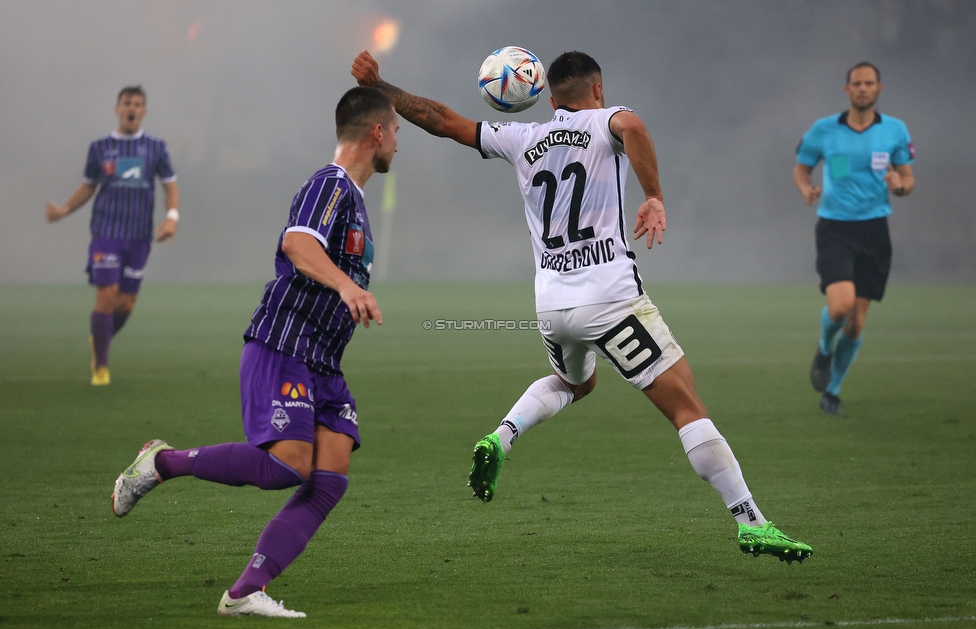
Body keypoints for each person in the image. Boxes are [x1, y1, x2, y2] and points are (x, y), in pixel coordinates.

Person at [352, 50, 812, 562]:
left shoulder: (521, 137)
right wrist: (654, 195)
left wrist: (382, 86)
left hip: (552, 303)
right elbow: (632, 124)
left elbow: (440, 121)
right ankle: (752, 522)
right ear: (598, 90)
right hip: (611, 298)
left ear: (550, 100)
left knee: (576, 382)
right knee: (687, 407)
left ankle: (502, 436)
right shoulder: (606, 121)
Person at [110, 86, 397, 618]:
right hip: (284, 345)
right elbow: (297, 244)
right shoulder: (328, 185)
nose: (399, 145)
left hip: (323, 363)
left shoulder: (354, 199)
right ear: (376, 132)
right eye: (396, 132)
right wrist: (347, 287)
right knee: (290, 465)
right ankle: (162, 463)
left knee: (329, 475)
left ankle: (245, 592)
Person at [794, 62, 914, 415]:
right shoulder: (824, 130)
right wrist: (806, 189)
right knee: (840, 306)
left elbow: (908, 178)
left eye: (869, 83)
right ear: (847, 89)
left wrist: (901, 186)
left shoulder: (894, 131)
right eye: (857, 83)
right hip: (835, 227)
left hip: (875, 230)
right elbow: (802, 167)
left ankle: (832, 391)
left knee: (857, 322)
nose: (863, 88)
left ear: (879, 89)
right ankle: (824, 346)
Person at [46, 86, 181, 386]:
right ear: (117, 108)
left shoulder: (156, 148)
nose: (131, 108)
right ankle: (101, 368)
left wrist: (171, 219)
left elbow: (170, 186)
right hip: (106, 232)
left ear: (143, 111)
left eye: (137, 104)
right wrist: (64, 210)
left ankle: (99, 339)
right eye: (127, 103)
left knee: (127, 303)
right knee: (107, 295)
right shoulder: (100, 148)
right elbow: (88, 185)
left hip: (139, 236)